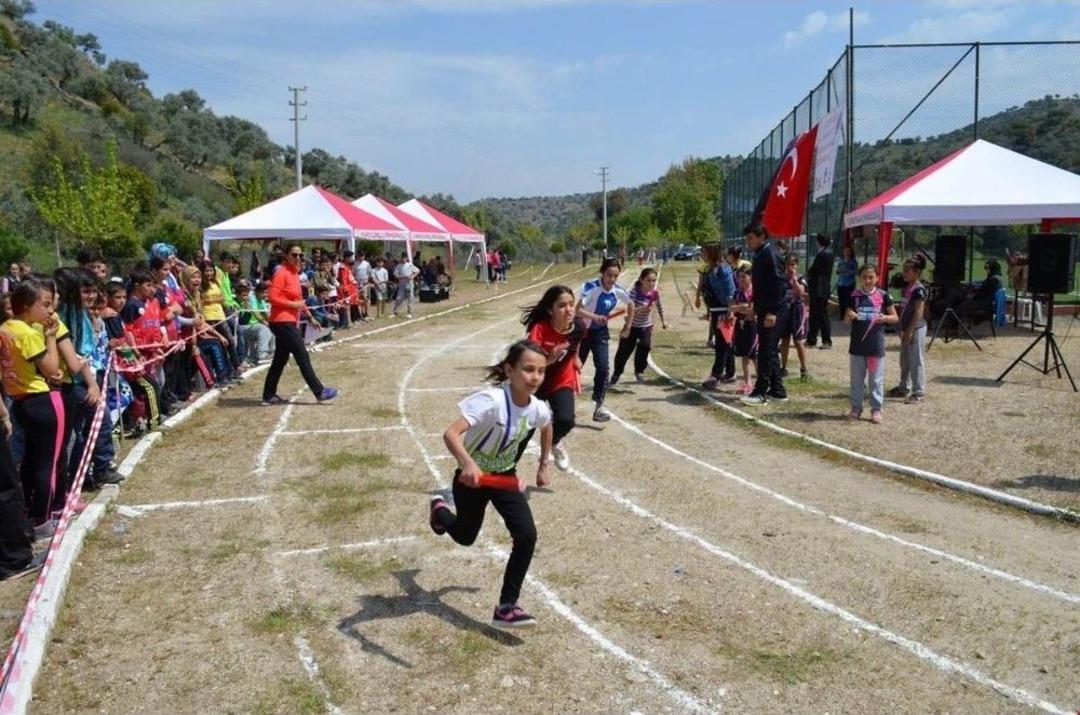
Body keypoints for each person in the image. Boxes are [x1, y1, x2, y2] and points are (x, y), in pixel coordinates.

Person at [428, 340, 553, 629]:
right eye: (528, 369)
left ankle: (506, 607)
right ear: (510, 370)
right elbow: (451, 434)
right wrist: (467, 463)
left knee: (526, 536)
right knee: (465, 536)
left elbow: (547, 425)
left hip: (503, 477)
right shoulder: (491, 400)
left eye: (541, 371)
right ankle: (439, 510)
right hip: (470, 480)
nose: (535, 377)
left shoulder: (537, 408)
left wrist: (543, 464)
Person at [0, 280, 65, 535]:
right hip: (42, 399)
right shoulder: (26, 334)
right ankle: (43, 519)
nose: (49, 311)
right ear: (27, 306)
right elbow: (53, 370)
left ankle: (29, 511)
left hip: (19, 401)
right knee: (48, 462)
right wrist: (50, 338)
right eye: (45, 305)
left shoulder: (5, 329)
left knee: (30, 460)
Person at [262, 243, 338, 406]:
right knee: (302, 355)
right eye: (294, 255)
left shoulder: (294, 274)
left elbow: (298, 300)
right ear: (286, 256)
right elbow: (272, 298)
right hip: (281, 321)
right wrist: (293, 306)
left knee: (279, 359)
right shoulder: (281, 273)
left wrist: (310, 317)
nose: (298, 258)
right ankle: (319, 391)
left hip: (289, 321)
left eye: (300, 255)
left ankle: (268, 395)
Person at [523, 285, 583, 471]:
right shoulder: (539, 329)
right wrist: (549, 358)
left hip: (561, 380)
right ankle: (505, 470)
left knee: (566, 420)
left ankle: (555, 441)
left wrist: (575, 357)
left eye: (571, 304)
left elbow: (576, 342)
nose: (569, 309)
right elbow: (529, 364)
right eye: (562, 305)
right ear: (550, 310)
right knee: (523, 432)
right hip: (536, 383)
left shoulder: (579, 327)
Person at [575, 258, 631, 422]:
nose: (612, 280)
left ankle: (598, 407)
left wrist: (628, 326)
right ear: (602, 273)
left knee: (603, 368)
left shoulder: (617, 290)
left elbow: (631, 304)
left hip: (600, 333)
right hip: (582, 333)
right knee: (574, 368)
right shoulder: (590, 287)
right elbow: (577, 310)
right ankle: (558, 405)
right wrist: (594, 316)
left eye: (615, 276)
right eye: (609, 275)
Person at [741, 223, 791, 406]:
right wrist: (754, 306)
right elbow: (761, 285)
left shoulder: (770, 253)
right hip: (764, 309)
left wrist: (772, 311)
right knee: (768, 350)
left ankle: (760, 391)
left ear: (762, 236)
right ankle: (778, 390)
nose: (748, 243)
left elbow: (780, 284)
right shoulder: (760, 253)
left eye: (750, 238)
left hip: (775, 311)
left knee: (764, 352)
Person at [845, 264, 899, 424]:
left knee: (875, 379)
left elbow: (895, 317)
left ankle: (876, 408)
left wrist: (885, 318)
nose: (868, 280)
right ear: (860, 278)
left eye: (871, 277)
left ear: (877, 278)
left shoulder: (883, 296)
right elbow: (847, 320)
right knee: (856, 379)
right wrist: (850, 316)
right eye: (864, 277)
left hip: (875, 347)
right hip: (857, 346)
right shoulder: (854, 296)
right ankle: (856, 407)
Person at [612, 267, 667, 385]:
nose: (652, 283)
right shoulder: (635, 291)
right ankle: (617, 373)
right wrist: (639, 309)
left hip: (645, 326)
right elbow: (629, 310)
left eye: (654, 280)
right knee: (624, 351)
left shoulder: (655, 293)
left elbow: (659, 307)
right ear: (642, 280)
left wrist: (663, 321)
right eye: (649, 280)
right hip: (632, 325)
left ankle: (639, 371)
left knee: (645, 346)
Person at [889, 254, 928, 404]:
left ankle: (918, 392)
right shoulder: (907, 288)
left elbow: (918, 312)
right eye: (904, 270)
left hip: (916, 329)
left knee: (916, 360)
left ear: (917, 273)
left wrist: (910, 331)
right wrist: (901, 329)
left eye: (907, 271)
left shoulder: (919, 290)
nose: (904, 273)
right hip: (906, 329)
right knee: (904, 360)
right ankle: (904, 386)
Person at [698, 246, 736, 389]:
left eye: (705, 253)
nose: (702, 255)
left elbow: (730, 292)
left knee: (721, 344)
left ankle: (716, 375)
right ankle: (731, 372)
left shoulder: (723, 269)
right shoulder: (710, 269)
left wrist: (730, 311)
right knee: (725, 343)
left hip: (723, 311)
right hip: (715, 310)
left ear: (712, 254)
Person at [779, 255, 810, 382]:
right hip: (785, 310)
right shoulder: (781, 278)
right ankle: (783, 367)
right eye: (787, 265)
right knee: (784, 339)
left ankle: (804, 368)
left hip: (797, 310)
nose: (790, 267)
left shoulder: (801, 278)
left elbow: (801, 292)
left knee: (798, 341)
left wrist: (794, 280)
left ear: (797, 265)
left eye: (793, 264)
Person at [730, 269, 758, 395]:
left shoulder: (756, 292)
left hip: (754, 326)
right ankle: (748, 383)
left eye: (744, 277)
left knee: (754, 355)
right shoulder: (737, 293)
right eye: (739, 277)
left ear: (751, 277)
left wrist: (750, 310)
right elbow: (731, 308)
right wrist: (741, 308)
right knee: (745, 354)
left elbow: (756, 309)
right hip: (741, 326)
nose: (741, 280)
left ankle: (763, 381)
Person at [805, 234, 834, 349]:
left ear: (819, 242)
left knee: (821, 315)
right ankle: (812, 339)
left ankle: (826, 341)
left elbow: (814, 270)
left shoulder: (823, 254)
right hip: (821, 288)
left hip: (819, 288)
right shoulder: (828, 253)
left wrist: (806, 276)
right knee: (815, 314)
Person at [238, 282, 274, 366]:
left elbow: (268, 315)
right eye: (263, 292)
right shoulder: (252, 298)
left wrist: (273, 323)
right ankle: (262, 355)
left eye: (267, 292)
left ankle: (271, 352)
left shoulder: (262, 301)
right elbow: (256, 314)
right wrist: (267, 323)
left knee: (275, 328)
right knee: (263, 328)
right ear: (257, 292)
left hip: (254, 326)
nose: (265, 295)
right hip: (243, 326)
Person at [392, 252, 419, 319]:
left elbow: (418, 270)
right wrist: (402, 276)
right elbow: (395, 275)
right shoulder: (399, 266)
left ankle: (409, 312)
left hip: (409, 284)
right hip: (402, 285)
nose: (404, 259)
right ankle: (395, 310)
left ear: (407, 258)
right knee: (399, 298)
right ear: (401, 258)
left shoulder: (409, 265)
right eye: (402, 257)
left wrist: (412, 276)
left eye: (405, 258)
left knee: (410, 299)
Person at [836, 243, 858, 319]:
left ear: (851, 252)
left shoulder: (853, 261)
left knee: (849, 300)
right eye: (845, 251)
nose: (846, 252)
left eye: (848, 251)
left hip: (849, 283)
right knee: (841, 300)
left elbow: (856, 272)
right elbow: (837, 271)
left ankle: (850, 315)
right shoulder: (840, 260)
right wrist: (839, 270)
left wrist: (848, 271)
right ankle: (841, 315)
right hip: (840, 283)